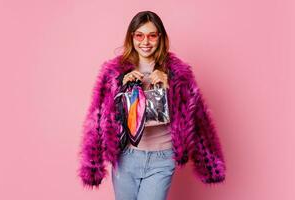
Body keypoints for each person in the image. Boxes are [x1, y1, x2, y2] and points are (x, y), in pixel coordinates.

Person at [78, 11, 226, 200]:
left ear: (160, 38)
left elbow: (196, 117)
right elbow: (98, 117)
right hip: (126, 158)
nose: (145, 42)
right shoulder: (114, 72)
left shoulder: (178, 73)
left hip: (162, 159)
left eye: (152, 35)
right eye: (139, 35)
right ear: (132, 38)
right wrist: (122, 86)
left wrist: (169, 86)